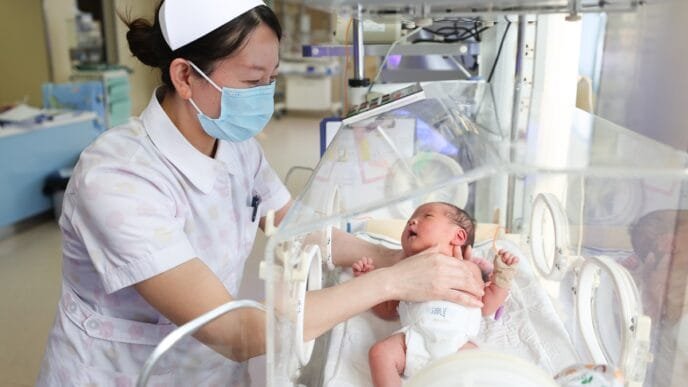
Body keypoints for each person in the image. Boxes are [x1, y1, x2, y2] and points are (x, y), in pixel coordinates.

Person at [36, 1, 485, 385]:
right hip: (123, 372)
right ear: (185, 77)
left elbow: (297, 226)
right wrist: (391, 282)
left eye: (271, 78)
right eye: (252, 82)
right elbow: (232, 331)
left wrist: (393, 257)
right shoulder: (116, 178)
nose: (265, 96)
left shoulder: (235, 147)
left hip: (211, 370)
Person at [352, 202, 518, 387]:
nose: (412, 221)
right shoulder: (405, 269)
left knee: (483, 365)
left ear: (459, 236)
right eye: (409, 220)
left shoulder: (469, 269)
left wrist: (503, 275)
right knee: (380, 353)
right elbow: (388, 310)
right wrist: (367, 280)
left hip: (457, 345)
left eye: (427, 216)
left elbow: (487, 306)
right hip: (413, 341)